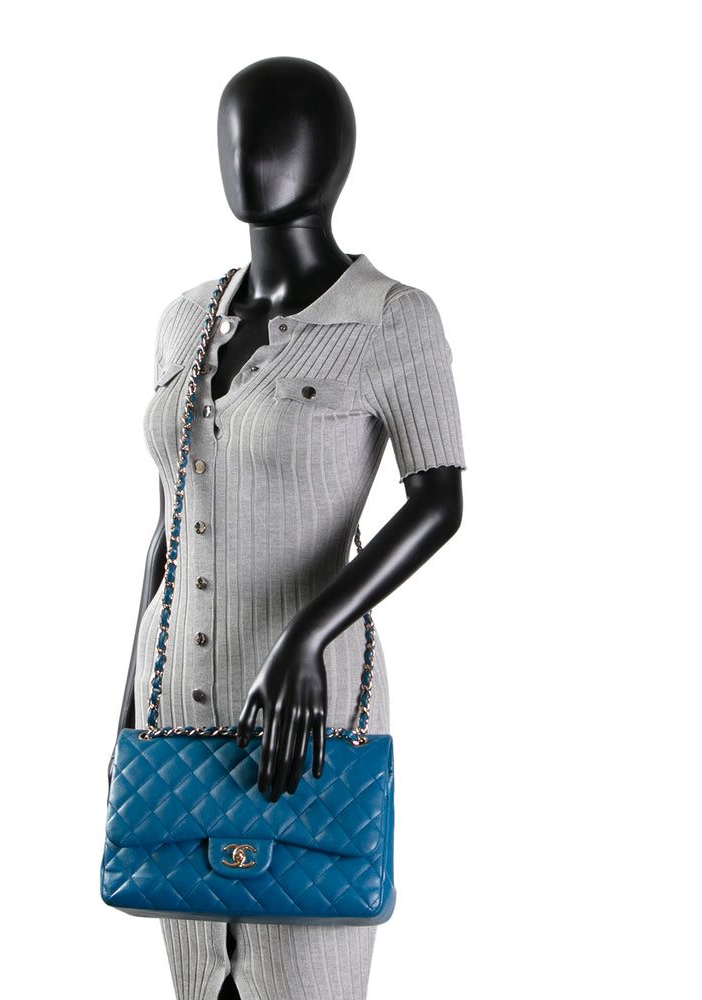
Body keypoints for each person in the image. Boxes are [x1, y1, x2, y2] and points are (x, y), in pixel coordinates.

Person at [116, 56, 466, 1000]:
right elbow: (166, 526)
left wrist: (311, 632)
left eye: (273, 136)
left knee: (306, 966)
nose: (247, 156)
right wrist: (126, 707)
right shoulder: (185, 319)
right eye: (234, 134)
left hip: (303, 710)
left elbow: (438, 499)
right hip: (176, 705)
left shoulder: (393, 320)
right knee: (203, 980)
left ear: (332, 158)